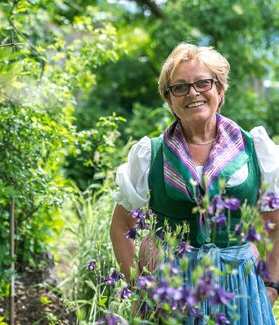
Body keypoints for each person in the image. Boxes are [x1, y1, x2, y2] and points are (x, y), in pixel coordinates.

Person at [110, 42, 279, 324]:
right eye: (180, 87)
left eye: (203, 83)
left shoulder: (255, 149)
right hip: (171, 290)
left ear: (220, 90)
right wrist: (139, 287)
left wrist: (272, 286)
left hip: (240, 288)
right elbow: (121, 225)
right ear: (170, 100)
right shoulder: (151, 154)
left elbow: (276, 224)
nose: (193, 93)